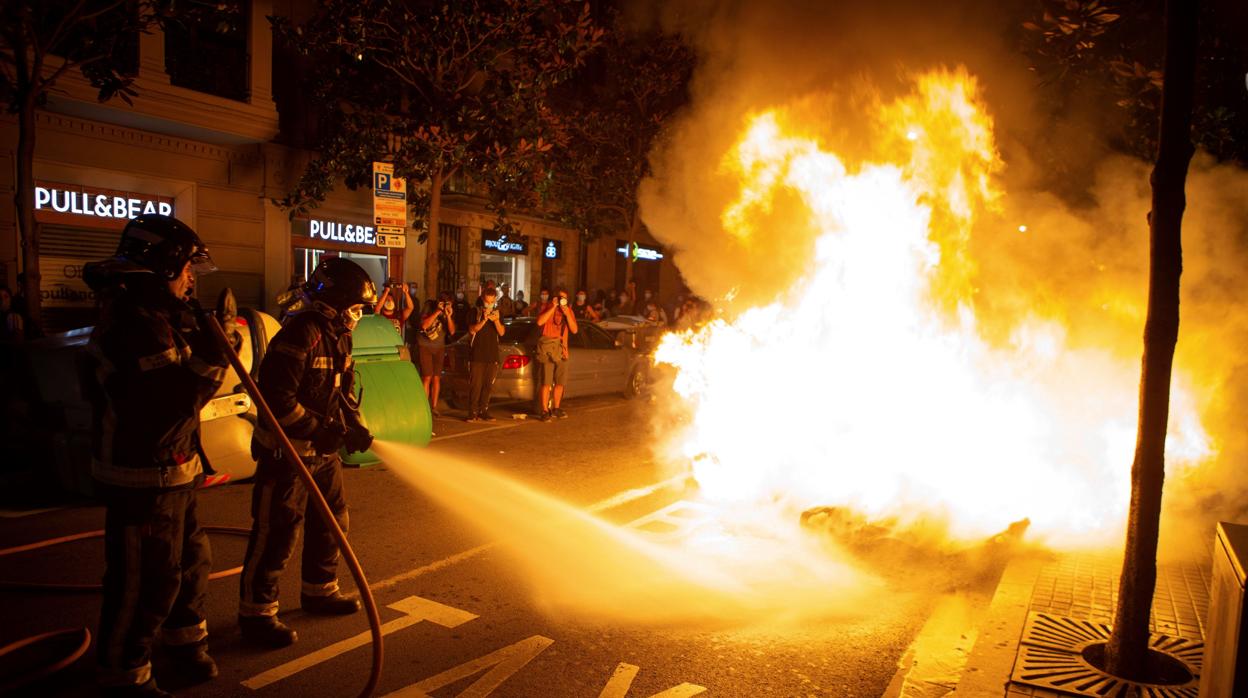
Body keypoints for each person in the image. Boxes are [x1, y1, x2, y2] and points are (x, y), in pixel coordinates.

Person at [80, 215, 230, 697]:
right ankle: (124, 674)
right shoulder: (133, 327)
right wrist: (213, 359)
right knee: (145, 582)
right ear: (163, 265)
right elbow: (169, 405)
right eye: (187, 268)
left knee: (189, 565)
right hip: (141, 477)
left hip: (174, 471)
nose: (191, 279)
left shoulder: (160, 318)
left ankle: (184, 646)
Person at [237, 257, 376, 649]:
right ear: (332, 302)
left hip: (322, 454)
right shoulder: (300, 334)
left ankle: (319, 589)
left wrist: (353, 425)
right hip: (288, 455)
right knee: (277, 532)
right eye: (355, 308)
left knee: (334, 521)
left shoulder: (338, 336)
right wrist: (318, 430)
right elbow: (276, 400)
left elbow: (340, 390)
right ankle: (257, 614)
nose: (357, 317)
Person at [535, 288, 578, 420]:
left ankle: (556, 408)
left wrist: (567, 313)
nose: (561, 300)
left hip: (562, 350)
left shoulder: (568, 311)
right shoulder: (547, 307)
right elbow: (540, 322)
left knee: (560, 381)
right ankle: (544, 410)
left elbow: (574, 330)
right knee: (546, 381)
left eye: (563, 298)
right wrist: (553, 307)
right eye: (559, 298)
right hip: (548, 350)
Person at [466, 285, 504, 422]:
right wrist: (484, 319)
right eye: (487, 302)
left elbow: (502, 332)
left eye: (492, 302)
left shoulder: (497, 313)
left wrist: (496, 321)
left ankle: (484, 410)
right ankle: (472, 412)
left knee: (488, 385)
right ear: (482, 300)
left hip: (492, 355)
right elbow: (472, 330)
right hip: (477, 355)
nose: (489, 304)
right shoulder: (474, 312)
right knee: (476, 385)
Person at [417, 294, 456, 417]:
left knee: (436, 378)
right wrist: (437, 311)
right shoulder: (429, 307)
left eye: (448, 304)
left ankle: (434, 407)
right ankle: (424, 406)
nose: (446, 306)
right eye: (444, 303)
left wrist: (448, 316)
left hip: (439, 347)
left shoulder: (447, 312)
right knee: (427, 377)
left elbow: (452, 331)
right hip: (425, 345)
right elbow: (424, 325)